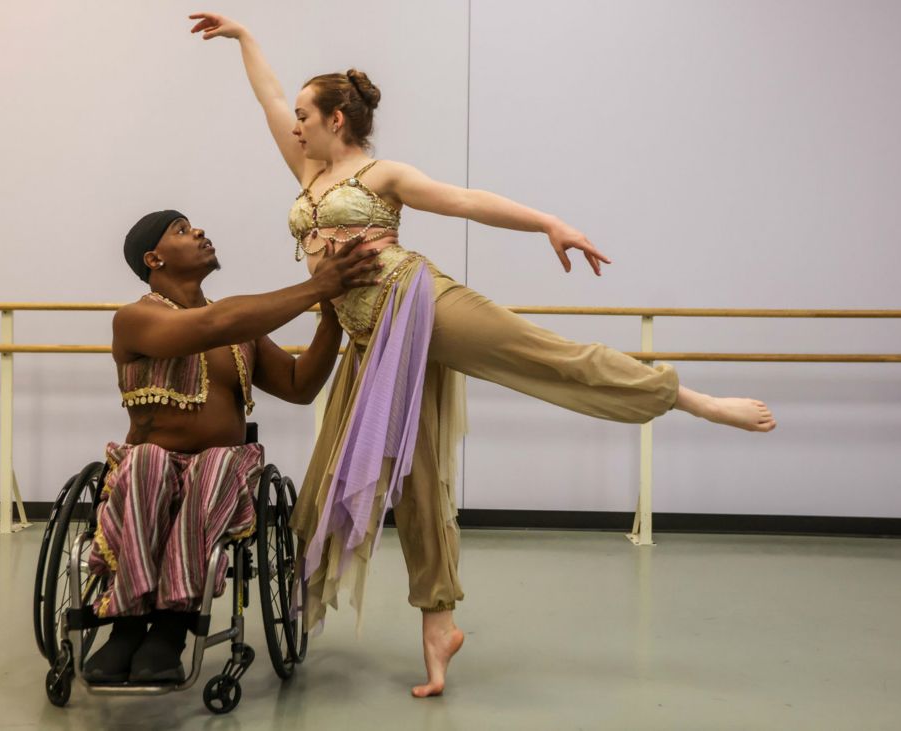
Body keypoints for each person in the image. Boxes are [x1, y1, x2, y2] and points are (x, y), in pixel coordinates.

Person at [188, 12, 777, 697]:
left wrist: (550, 224)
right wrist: (245, 40)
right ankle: (439, 629)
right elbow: (266, 95)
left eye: (303, 115)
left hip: (416, 303)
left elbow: (466, 201)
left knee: (544, 354)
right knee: (413, 479)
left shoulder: (383, 173)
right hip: (370, 344)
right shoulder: (307, 169)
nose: (292, 122)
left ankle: (689, 398)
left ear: (336, 121)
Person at [82, 209, 381, 684]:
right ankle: (125, 626)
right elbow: (209, 326)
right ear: (153, 259)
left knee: (216, 464)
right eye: (181, 230)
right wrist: (316, 286)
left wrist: (332, 314)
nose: (199, 231)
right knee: (150, 462)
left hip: (220, 470)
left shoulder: (242, 335)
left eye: (194, 226)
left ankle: (171, 630)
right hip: (148, 466)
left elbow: (300, 385)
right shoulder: (135, 319)